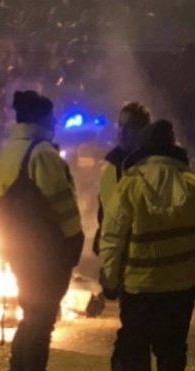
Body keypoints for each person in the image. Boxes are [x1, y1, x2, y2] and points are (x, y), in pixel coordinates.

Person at [0, 91, 84, 370]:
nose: (55, 121)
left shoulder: (5, 155)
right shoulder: (41, 153)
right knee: (41, 322)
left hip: (18, 253)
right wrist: (74, 242)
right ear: (41, 118)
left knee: (31, 316)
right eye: (51, 116)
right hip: (47, 253)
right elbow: (62, 204)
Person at [100, 121, 195, 371]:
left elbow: (112, 238)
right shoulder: (191, 183)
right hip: (180, 288)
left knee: (132, 354)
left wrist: (109, 280)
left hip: (138, 289)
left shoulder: (130, 184)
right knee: (172, 353)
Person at [93, 102, 151, 255]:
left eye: (129, 126)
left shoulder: (154, 168)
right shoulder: (110, 170)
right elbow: (104, 216)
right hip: (119, 261)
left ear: (143, 131)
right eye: (120, 125)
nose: (122, 132)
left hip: (146, 262)